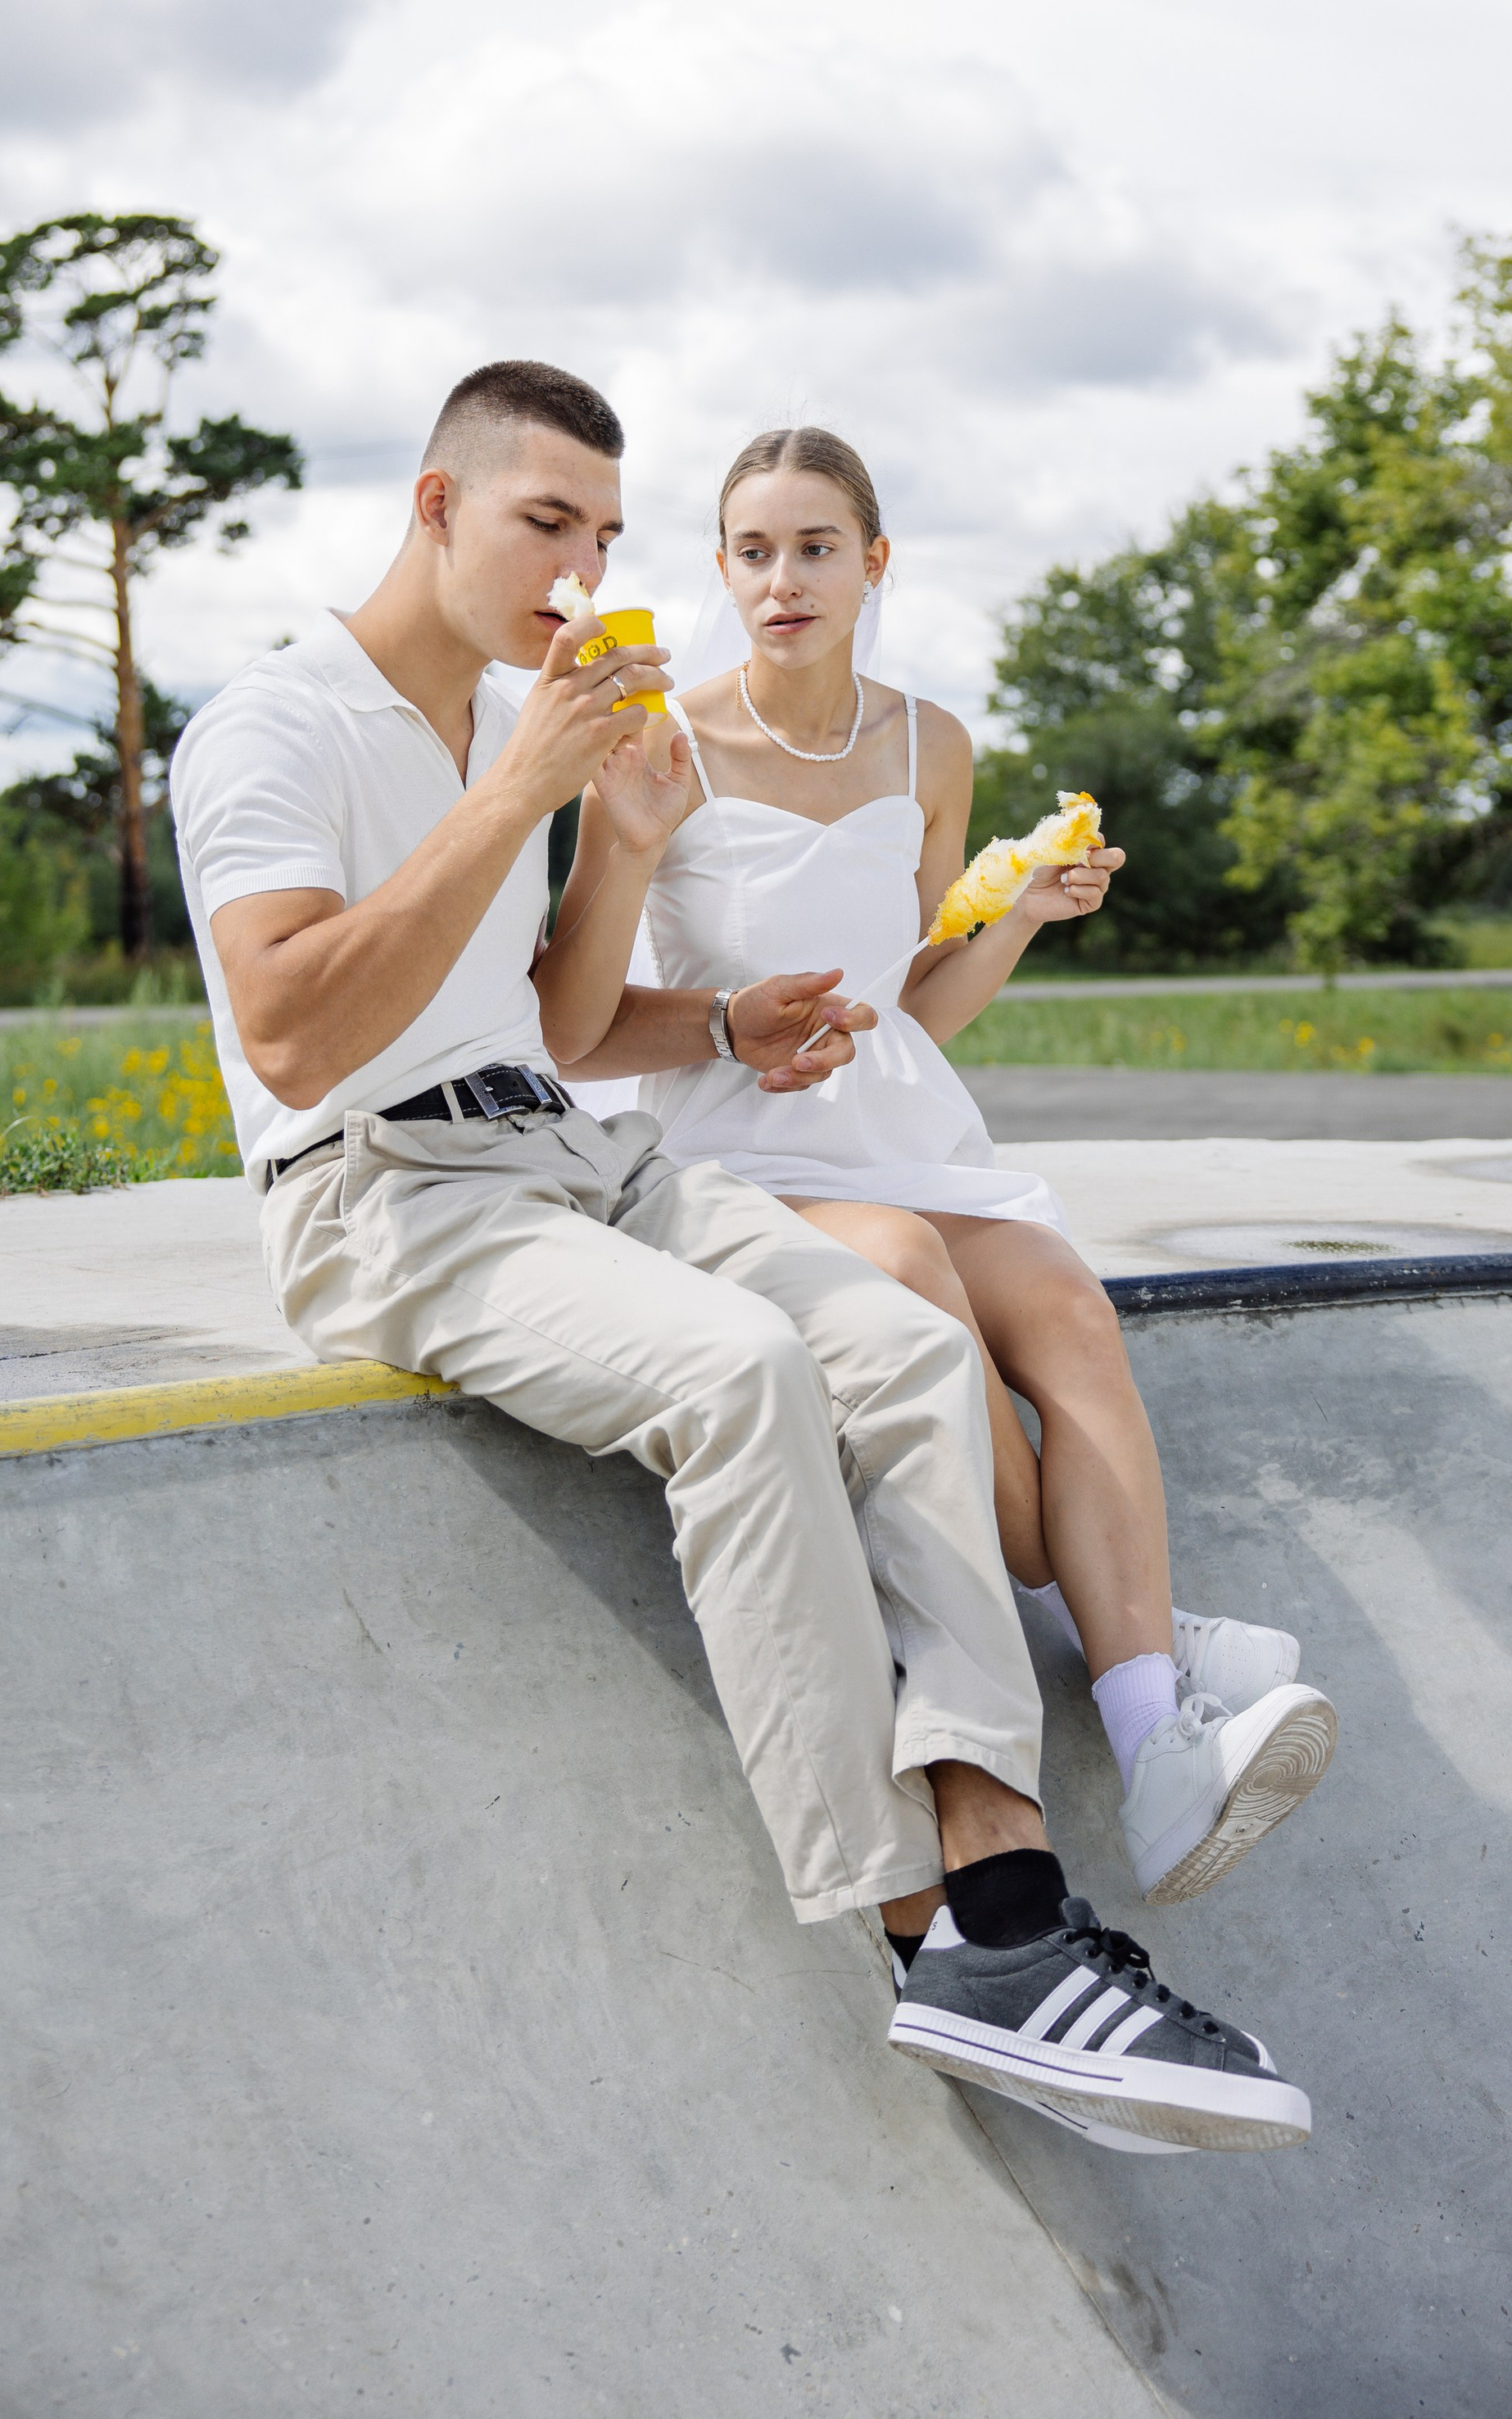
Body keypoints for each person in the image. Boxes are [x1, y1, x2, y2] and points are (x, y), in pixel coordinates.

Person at [173, 358, 1312, 2156]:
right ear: (433, 504)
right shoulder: (275, 725)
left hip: (565, 1149)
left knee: (904, 1342)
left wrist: (717, 1017)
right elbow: (298, 1032)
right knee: (742, 1374)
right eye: (546, 521)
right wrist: (526, 793)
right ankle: (925, 1937)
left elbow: (541, 1023)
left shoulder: (500, 720)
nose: (579, 564)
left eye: (606, 533)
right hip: (380, 1189)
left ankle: (1009, 1908)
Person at [536, 423, 1337, 1911]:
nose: (784, 578)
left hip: (908, 1129)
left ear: (874, 562)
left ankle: (1160, 1756)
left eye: (817, 547)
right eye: (755, 551)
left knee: (1071, 1314)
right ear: (720, 570)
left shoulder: (931, 742)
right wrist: (731, 1026)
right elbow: (577, 1028)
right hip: (736, 1141)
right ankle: (1156, 1654)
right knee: (912, 1290)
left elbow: (918, 999)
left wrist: (1019, 912)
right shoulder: (665, 744)